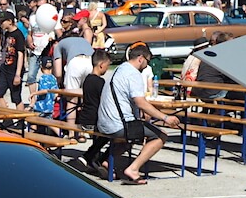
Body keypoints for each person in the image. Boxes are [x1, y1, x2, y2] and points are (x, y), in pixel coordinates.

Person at [97, 42, 181, 184]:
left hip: (104, 123)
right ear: (141, 58)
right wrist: (165, 117)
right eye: (147, 62)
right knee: (160, 136)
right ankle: (133, 169)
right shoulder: (133, 74)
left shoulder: (119, 69)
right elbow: (140, 102)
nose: (147, 66)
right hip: (119, 125)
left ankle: (105, 160)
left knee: (136, 133)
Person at [74, 50, 112, 171]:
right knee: (114, 134)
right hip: (94, 120)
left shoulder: (87, 80)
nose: (107, 68)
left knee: (104, 135)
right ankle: (98, 159)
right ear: (101, 65)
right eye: (107, 65)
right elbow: (104, 101)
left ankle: (92, 157)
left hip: (84, 118)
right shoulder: (100, 82)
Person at [0, 12, 24, 109]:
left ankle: (21, 121)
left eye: (3, 21)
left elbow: (20, 54)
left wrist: (18, 74)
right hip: (5, 68)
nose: (1, 24)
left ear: (10, 21)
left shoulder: (18, 35)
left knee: (16, 98)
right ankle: (7, 120)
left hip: (14, 70)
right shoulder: (6, 34)